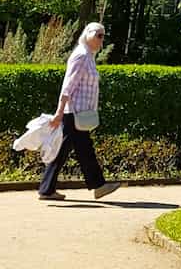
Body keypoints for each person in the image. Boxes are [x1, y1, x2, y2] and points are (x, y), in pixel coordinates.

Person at [38, 21, 120, 202]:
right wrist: (60, 112)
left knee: (71, 150)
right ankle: (98, 186)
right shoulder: (81, 55)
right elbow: (68, 85)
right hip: (73, 112)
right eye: (98, 35)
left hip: (80, 112)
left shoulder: (89, 56)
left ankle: (47, 189)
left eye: (103, 35)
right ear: (87, 34)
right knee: (82, 149)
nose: (101, 39)